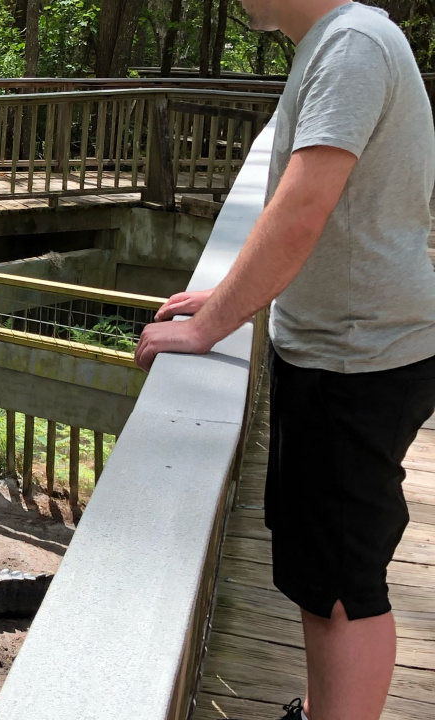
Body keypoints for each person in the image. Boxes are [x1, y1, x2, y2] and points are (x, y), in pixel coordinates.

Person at [133, 1, 435, 719]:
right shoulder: (338, 42)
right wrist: (227, 294)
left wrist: (211, 325)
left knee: (344, 585)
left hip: (361, 357)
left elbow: (304, 207)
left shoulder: (353, 45)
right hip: (340, 349)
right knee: (319, 573)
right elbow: (300, 212)